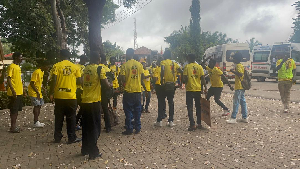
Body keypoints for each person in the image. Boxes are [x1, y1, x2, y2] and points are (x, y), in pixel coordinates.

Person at [81, 51, 111, 160]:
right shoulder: (99, 69)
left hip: (84, 100)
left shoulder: (84, 68)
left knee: (86, 126)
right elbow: (106, 84)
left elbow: (80, 81)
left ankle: (84, 149)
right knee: (95, 127)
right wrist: (110, 84)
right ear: (98, 59)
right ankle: (93, 152)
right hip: (94, 102)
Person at [50, 49, 82, 144]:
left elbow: (53, 80)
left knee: (58, 117)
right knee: (71, 117)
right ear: (69, 56)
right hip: (71, 96)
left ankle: (57, 137)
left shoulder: (56, 66)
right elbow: (80, 81)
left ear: (60, 55)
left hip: (59, 96)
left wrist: (51, 93)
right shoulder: (75, 67)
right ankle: (71, 137)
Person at [119, 48, 146, 135]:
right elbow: (142, 77)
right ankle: (137, 127)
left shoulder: (124, 65)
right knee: (138, 110)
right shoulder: (139, 64)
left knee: (128, 110)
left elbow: (122, 78)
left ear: (127, 54)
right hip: (138, 91)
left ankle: (129, 128)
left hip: (128, 91)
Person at [158, 50, 182, 127]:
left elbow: (162, 71)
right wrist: (180, 82)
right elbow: (181, 71)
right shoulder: (174, 64)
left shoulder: (163, 62)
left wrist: (161, 81)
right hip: (172, 85)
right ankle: (171, 120)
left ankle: (160, 120)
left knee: (161, 102)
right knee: (171, 102)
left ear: (164, 55)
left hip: (164, 84)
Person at [183, 54, 207, 131]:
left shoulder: (187, 67)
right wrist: (205, 87)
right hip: (198, 89)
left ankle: (192, 124)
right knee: (198, 106)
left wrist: (185, 82)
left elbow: (184, 78)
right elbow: (202, 78)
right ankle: (199, 123)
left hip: (190, 89)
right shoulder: (199, 67)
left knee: (190, 107)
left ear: (190, 58)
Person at [226, 52, 248, 124]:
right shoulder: (241, 65)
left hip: (239, 86)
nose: (233, 60)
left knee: (236, 102)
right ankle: (245, 117)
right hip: (242, 86)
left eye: (234, 58)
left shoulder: (238, 66)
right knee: (242, 101)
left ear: (236, 59)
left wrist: (233, 71)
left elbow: (240, 74)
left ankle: (233, 118)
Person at [28, 60, 48, 128]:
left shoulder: (42, 72)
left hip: (38, 92)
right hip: (34, 92)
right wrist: (37, 92)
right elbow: (32, 83)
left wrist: (43, 89)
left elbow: (39, 83)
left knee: (39, 106)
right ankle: (35, 122)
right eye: (47, 66)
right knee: (36, 106)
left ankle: (37, 121)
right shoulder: (37, 72)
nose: (48, 68)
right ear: (44, 66)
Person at [7, 52, 23, 133]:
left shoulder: (18, 67)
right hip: (14, 93)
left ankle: (14, 126)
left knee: (16, 110)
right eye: (20, 57)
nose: (22, 58)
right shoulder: (11, 67)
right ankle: (12, 127)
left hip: (19, 92)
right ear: (16, 57)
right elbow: (9, 79)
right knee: (13, 110)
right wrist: (13, 90)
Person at [99, 55, 113, 133]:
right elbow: (110, 81)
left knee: (96, 109)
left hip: (95, 91)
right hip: (105, 92)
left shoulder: (96, 67)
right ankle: (108, 126)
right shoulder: (107, 69)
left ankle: (96, 126)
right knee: (105, 109)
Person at [153, 56, 167, 127]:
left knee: (160, 102)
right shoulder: (167, 69)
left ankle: (159, 119)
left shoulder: (157, 69)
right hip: (165, 85)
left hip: (159, 86)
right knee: (164, 100)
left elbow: (155, 78)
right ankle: (164, 113)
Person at [75, 55, 87, 130]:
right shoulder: (77, 67)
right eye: (84, 60)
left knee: (83, 107)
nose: (85, 61)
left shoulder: (85, 67)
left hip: (82, 90)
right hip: (77, 89)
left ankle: (80, 122)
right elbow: (79, 80)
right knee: (82, 106)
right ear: (81, 59)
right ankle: (75, 122)